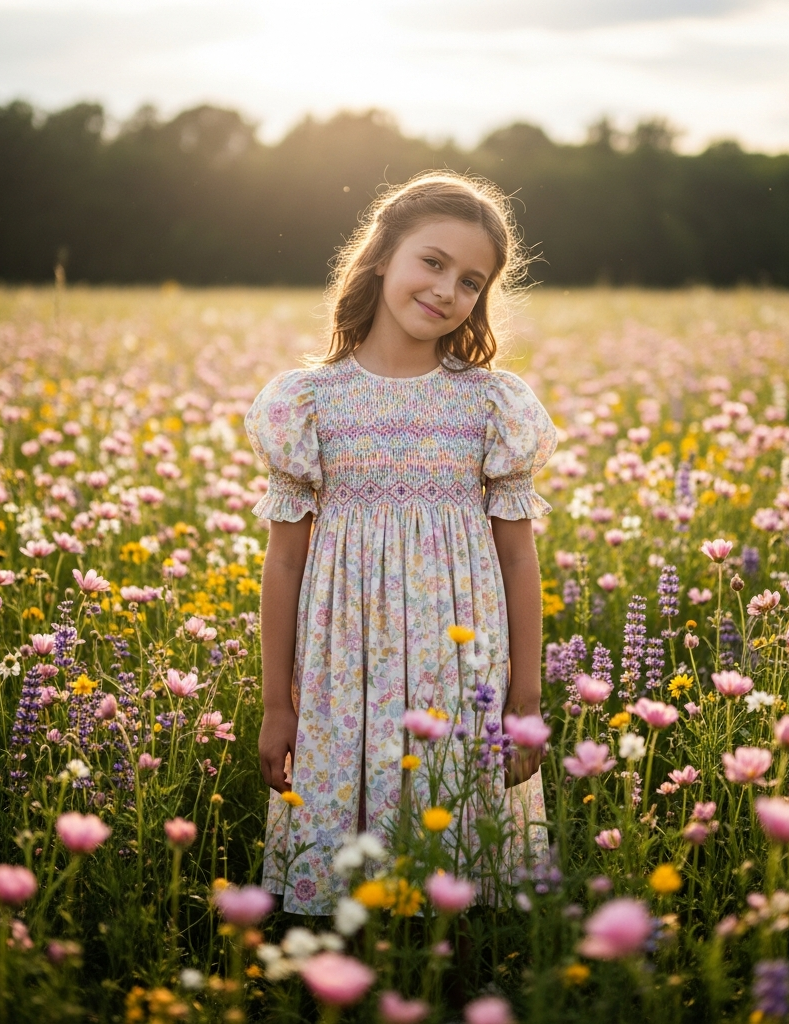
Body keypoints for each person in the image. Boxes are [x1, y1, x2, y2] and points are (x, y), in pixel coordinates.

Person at [244, 171, 557, 915]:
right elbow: (284, 560)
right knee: (344, 827)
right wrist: (275, 702)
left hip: (460, 661)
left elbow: (518, 556)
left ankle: (450, 964)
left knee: (454, 829)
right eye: (433, 261)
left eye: (471, 280)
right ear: (382, 255)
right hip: (341, 668)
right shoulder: (308, 402)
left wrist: (526, 693)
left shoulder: (491, 402)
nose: (448, 288)